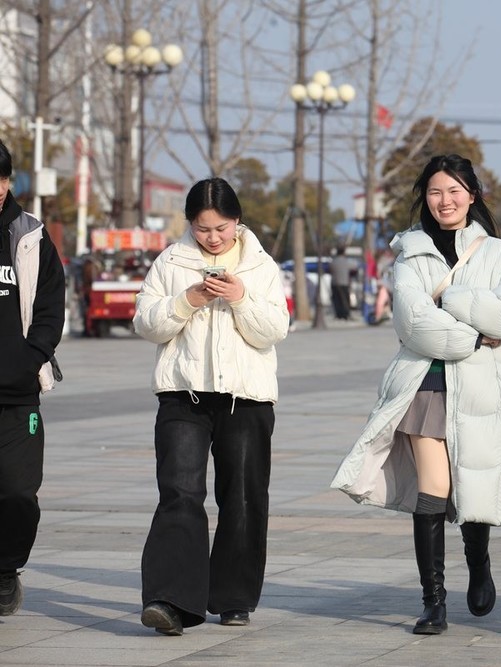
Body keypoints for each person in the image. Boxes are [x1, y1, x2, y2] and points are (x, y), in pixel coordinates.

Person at [332, 154, 501, 635]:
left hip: (482, 389)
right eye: (436, 191)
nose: (445, 200)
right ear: (425, 196)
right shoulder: (411, 253)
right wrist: (474, 336)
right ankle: (434, 600)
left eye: (455, 190)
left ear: (472, 195)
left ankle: (478, 561)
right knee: (433, 490)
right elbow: (414, 322)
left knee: (473, 482)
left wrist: (452, 301)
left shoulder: (500, 254)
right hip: (426, 385)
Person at [132, 177, 289, 636]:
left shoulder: (260, 265)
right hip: (184, 394)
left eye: (222, 227)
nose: (213, 237)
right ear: (189, 224)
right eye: (202, 228)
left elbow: (274, 330)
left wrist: (240, 298)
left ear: (237, 221)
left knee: (243, 495)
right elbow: (146, 323)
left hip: (247, 398)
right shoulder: (171, 262)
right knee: (179, 492)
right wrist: (188, 300)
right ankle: (170, 600)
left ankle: (233, 596)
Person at [0, 138, 65, 616]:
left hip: (18, 392)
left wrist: (30, 359)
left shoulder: (31, 235)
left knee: (19, 493)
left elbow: (49, 306)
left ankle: (5, 571)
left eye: (0, 180)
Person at [329, 245, 354, 320]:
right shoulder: (346, 261)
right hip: (344, 283)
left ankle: (338, 314)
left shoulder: (333, 261)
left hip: (335, 283)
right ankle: (346, 314)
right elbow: (354, 267)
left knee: (337, 300)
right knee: (345, 299)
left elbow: (330, 269)